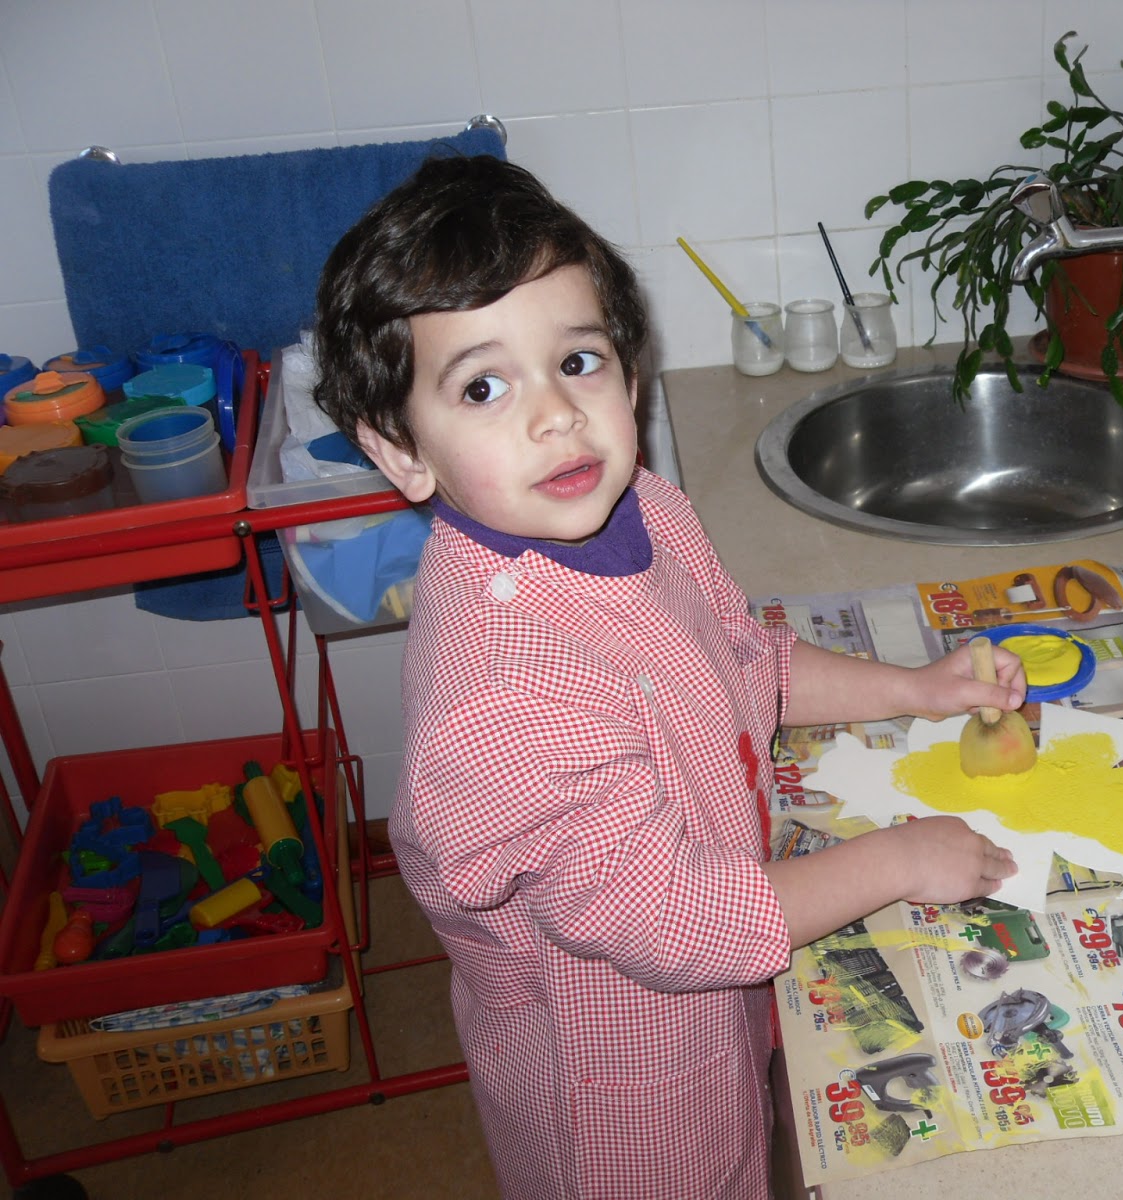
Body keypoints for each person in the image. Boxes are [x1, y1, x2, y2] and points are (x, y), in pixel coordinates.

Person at [312, 154, 1022, 1200]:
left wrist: (917, 688)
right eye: (483, 387)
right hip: (621, 1081)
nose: (556, 415)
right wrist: (901, 859)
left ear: (630, 376)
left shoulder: (641, 507)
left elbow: (738, 665)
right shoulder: (501, 698)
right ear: (401, 451)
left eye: (578, 361)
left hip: (717, 988)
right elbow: (682, 922)